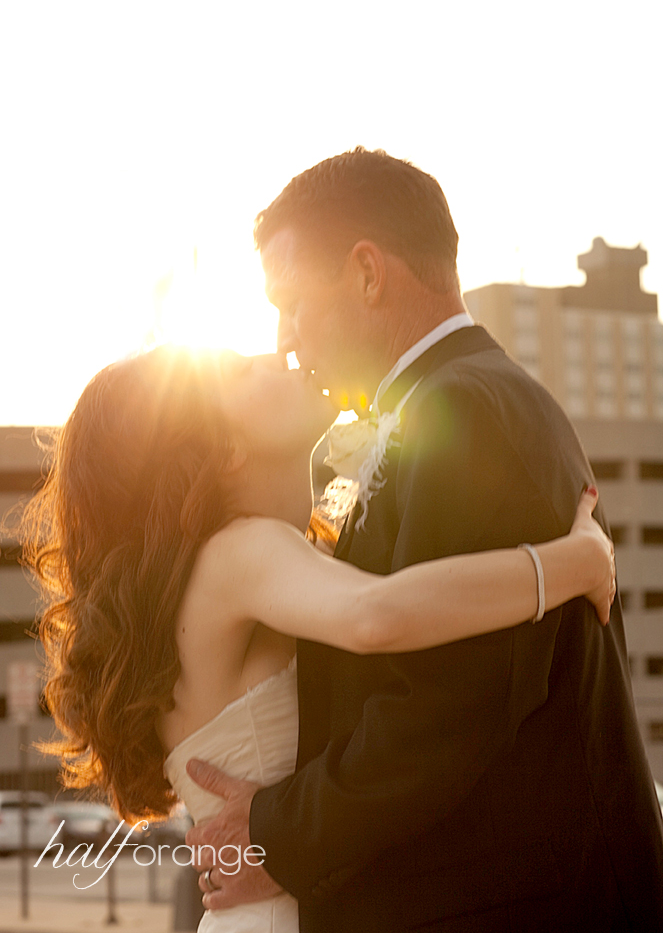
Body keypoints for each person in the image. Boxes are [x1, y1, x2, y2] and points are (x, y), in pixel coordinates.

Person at [187, 147, 663, 932]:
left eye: (291, 304)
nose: (285, 340)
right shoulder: (415, 414)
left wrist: (275, 832)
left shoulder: (470, 413)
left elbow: (444, 709)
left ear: (368, 274)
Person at [22, 344, 613, 933]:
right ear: (225, 448)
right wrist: (574, 564)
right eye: (237, 370)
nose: (272, 353)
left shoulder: (214, 576)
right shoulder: (239, 552)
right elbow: (376, 616)